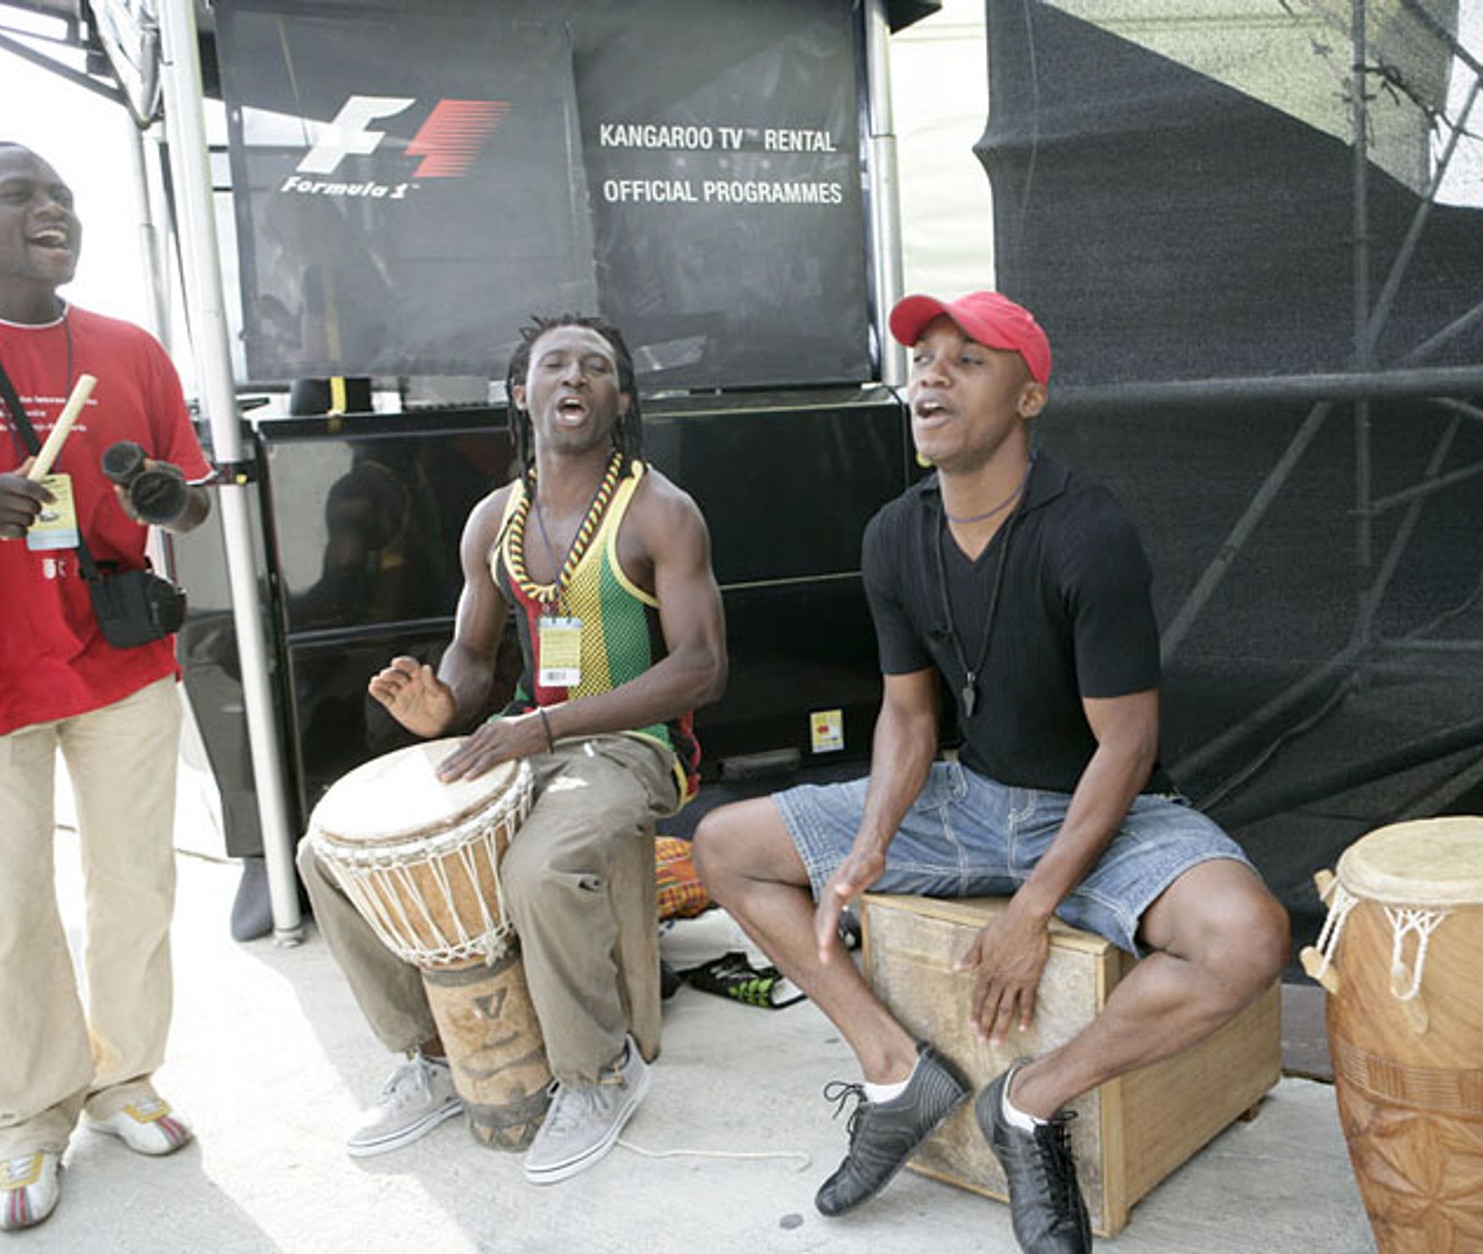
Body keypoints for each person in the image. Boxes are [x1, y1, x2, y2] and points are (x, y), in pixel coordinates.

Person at [693, 291, 1290, 1254]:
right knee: (726, 845)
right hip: (969, 801)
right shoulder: (895, 533)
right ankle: (896, 1075)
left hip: (1110, 809)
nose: (931, 375)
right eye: (924, 360)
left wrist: (1033, 909)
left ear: (1030, 398)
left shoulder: (1087, 529)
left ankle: (1026, 1104)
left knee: (1246, 937)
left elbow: (1127, 746)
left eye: (967, 361)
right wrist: (872, 842)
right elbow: (909, 714)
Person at [296, 313, 727, 1185]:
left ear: (623, 397)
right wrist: (441, 705)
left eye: (596, 367)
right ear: (521, 392)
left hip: (632, 745)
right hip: (527, 736)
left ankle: (600, 1073)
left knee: (539, 867)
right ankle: (435, 1053)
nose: (574, 378)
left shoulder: (661, 512)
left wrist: (545, 728)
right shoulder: (494, 517)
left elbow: (703, 669)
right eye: (554, 364)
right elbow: (473, 654)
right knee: (328, 854)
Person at [0, 142, 214, 1232]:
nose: (52, 209)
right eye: (20, 194)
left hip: (120, 663)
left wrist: (174, 502)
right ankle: (27, 1117)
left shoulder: (129, 348)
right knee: (5, 912)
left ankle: (124, 1076)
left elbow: (192, 509)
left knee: (135, 890)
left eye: (63, 196)